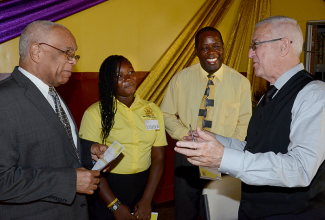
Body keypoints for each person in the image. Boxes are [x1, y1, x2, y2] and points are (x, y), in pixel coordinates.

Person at [175, 16, 325, 220]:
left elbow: (299, 169)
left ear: (283, 46)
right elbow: (253, 149)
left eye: (255, 45)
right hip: (252, 210)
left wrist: (223, 158)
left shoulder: (314, 94)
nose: (249, 53)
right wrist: (217, 140)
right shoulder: (270, 94)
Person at [0, 20, 108, 220]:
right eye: (67, 52)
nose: (73, 60)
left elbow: (53, 145)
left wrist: (87, 150)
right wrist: (69, 182)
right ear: (37, 52)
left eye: (74, 54)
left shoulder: (52, 93)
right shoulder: (4, 100)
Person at [160, 26, 252, 220]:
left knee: (219, 211)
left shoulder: (240, 83)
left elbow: (244, 122)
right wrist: (186, 136)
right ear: (196, 51)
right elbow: (166, 113)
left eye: (216, 46)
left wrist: (226, 149)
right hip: (188, 157)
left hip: (223, 158)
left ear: (223, 48)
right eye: (205, 48)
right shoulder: (180, 79)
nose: (212, 53)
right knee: (186, 212)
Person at [79, 55, 167, 220]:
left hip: (144, 188)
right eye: (119, 76)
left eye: (130, 72)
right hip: (107, 190)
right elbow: (90, 166)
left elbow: (159, 157)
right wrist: (114, 205)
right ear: (108, 81)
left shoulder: (153, 110)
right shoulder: (95, 114)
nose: (128, 78)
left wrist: (147, 199)